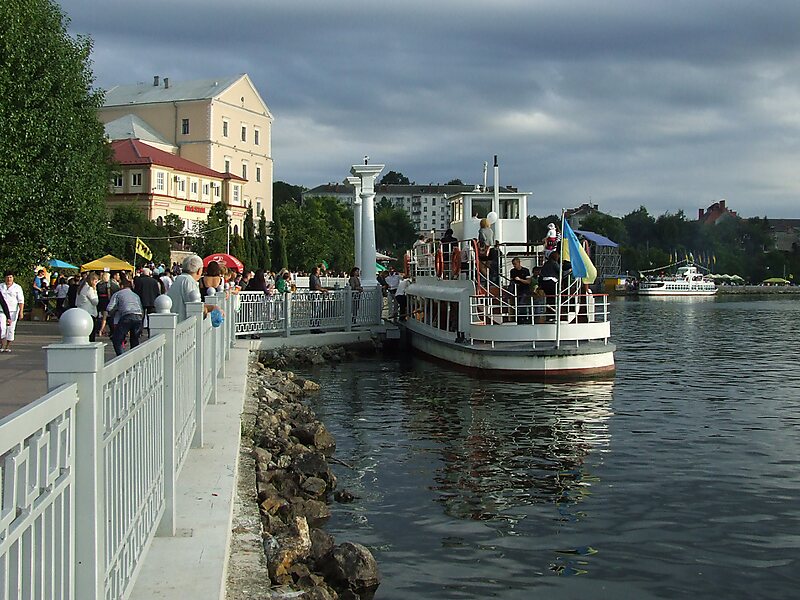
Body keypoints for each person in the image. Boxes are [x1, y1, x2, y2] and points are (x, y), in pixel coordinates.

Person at [166, 254, 221, 322]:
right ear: (199, 270)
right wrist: (212, 308)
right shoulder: (189, 281)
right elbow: (195, 308)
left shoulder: (179, 279)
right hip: (184, 325)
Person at [103, 274, 143, 355]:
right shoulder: (136, 296)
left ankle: (121, 357)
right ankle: (135, 357)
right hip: (138, 316)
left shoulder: (118, 294)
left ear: (121, 286)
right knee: (134, 339)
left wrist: (115, 311)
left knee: (117, 339)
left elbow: (109, 308)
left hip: (127, 316)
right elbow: (141, 308)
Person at [0, 272, 24, 352]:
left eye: (10, 277)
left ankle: (7, 346)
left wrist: (21, 311)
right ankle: (2, 345)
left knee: (10, 329)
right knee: (2, 327)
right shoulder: (1, 286)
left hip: (13, 311)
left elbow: (21, 300)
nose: (9, 279)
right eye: (7, 277)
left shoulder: (17, 287)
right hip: (2, 311)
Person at [75, 271, 100, 341]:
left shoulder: (81, 288)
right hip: (89, 313)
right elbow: (95, 302)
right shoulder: (89, 289)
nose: (96, 283)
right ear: (91, 281)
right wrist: (95, 291)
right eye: (95, 281)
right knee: (91, 334)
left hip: (81, 311)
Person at [509, 257, 532, 324]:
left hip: (524, 290)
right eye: (513, 264)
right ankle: (518, 318)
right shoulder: (512, 271)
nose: (514, 265)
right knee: (516, 304)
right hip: (516, 291)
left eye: (515, 264)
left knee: (522, 303)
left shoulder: (525, 270)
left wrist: (520, 280)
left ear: (519, 263)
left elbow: (528, 282)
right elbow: (511, 281)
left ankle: (523, 318)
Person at [539, 250, 561, 319]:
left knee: (549, 298)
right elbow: (560, 272)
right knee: (553, 299)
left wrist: (540, 285)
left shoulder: (546, 264)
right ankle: (553, 315)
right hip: (551, 282)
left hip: (544, 282)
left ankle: (549, 315)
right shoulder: (554, 263)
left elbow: (541, 274)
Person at [308, 265, 327, 333]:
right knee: (315, 312)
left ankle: (317, 326)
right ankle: (314, 327)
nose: (319, 271)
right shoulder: (313, 277)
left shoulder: (317, 277)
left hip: (318, 296)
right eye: (318, 270)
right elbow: (316, 286)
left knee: (318, 311)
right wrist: (322, 290)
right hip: (314, 296)